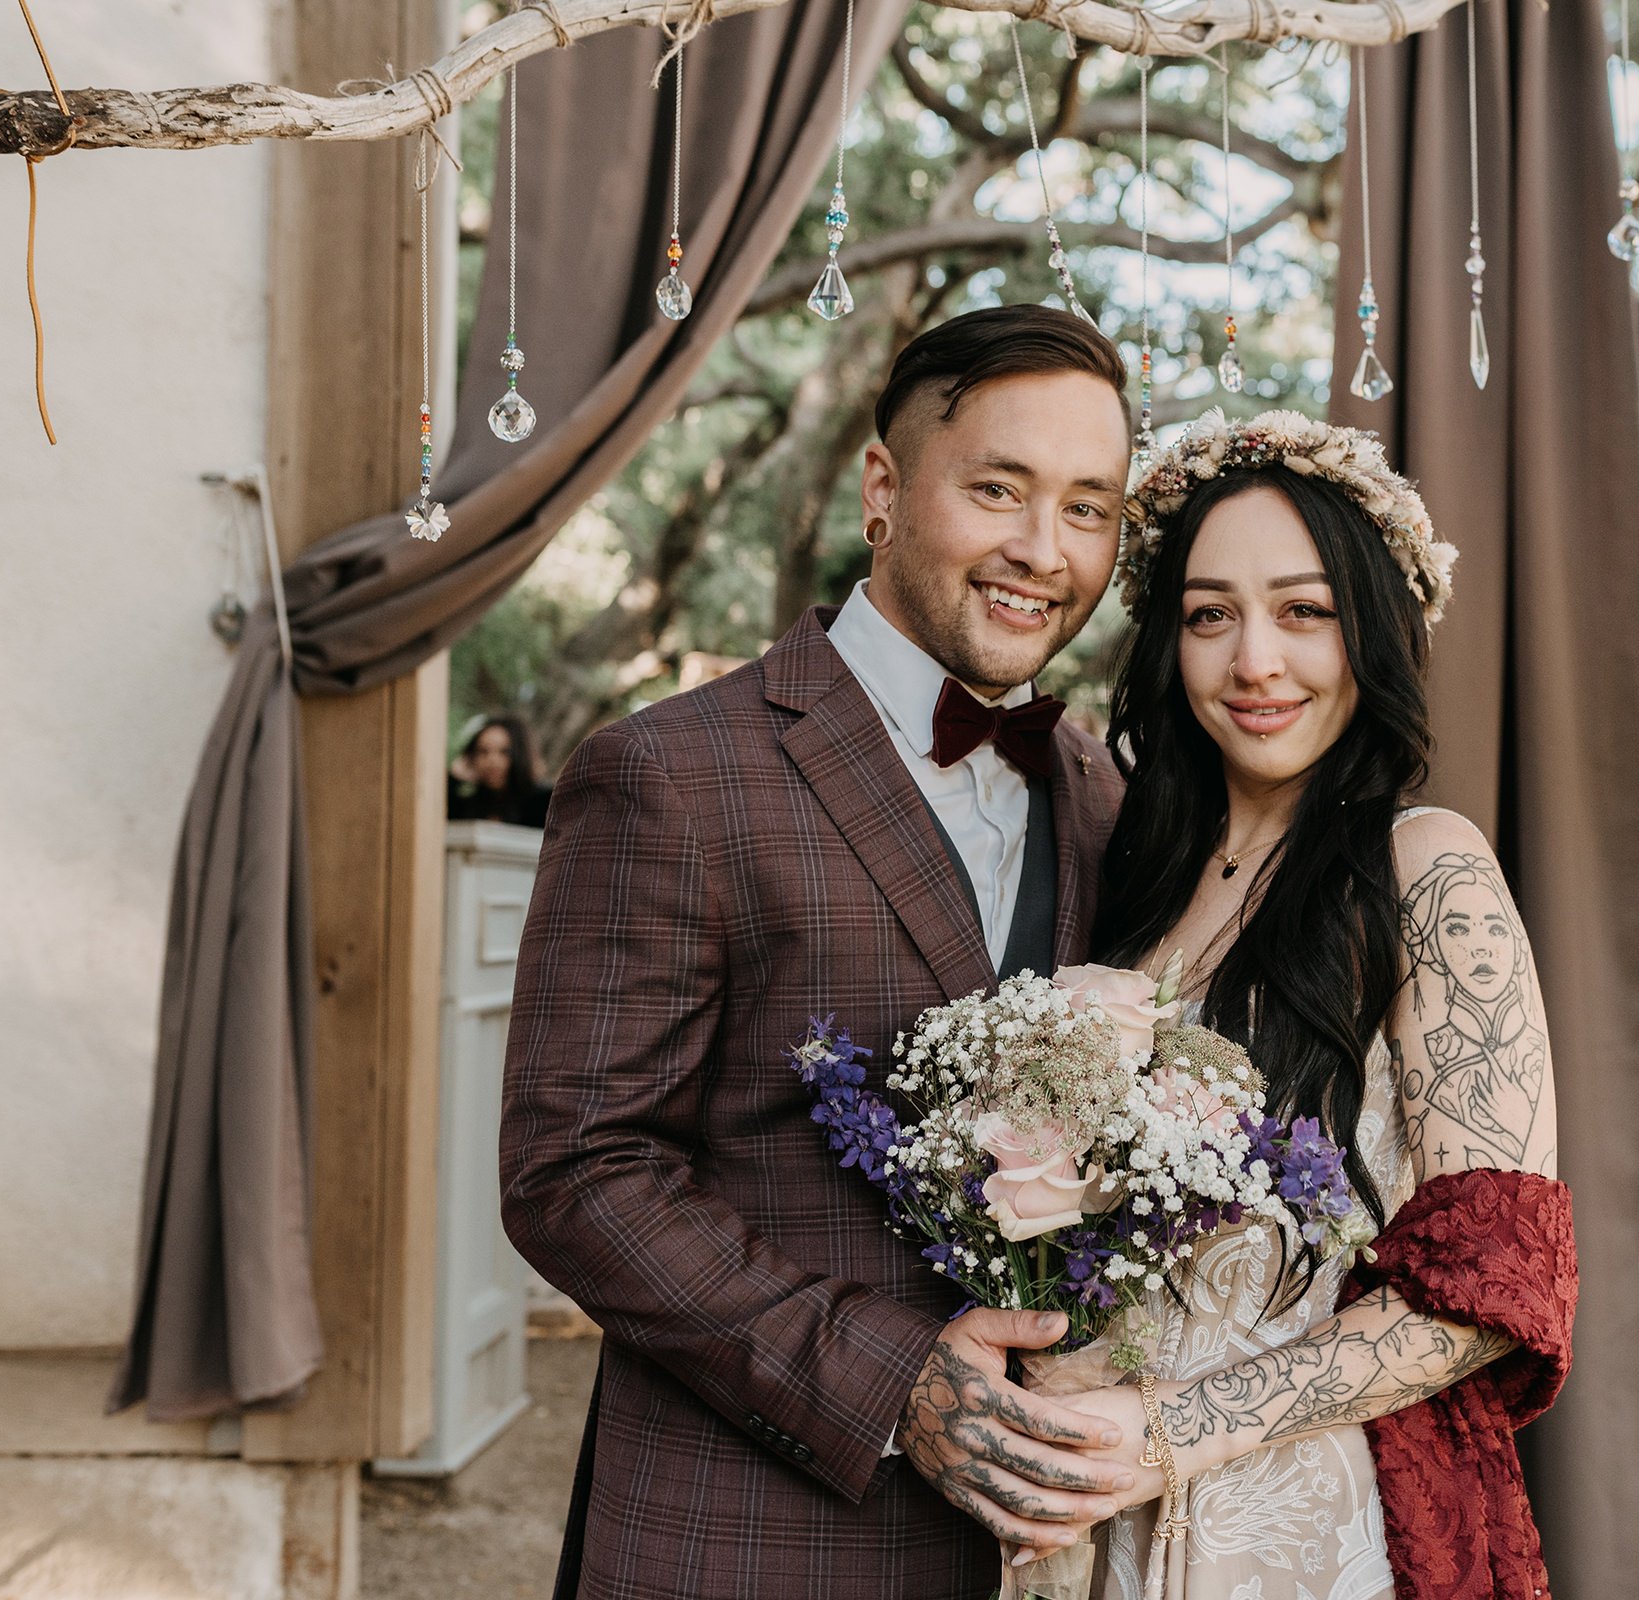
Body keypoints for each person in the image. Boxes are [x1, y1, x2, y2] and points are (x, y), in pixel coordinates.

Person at [500, 306, 1141, 1600]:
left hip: (1039, 1552)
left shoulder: (1108, 799)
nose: (1042, 551)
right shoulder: (671, 773)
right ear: (884, 489)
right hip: (748, 1532)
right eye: (1000, 489)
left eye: (1089, 508)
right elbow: (577, 1172)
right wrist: (893, 1382)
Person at [1071, 411, 1580, 1600]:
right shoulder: (1132, 889)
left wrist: (1173, 1431)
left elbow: (1496, 1290)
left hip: (1331, 1517)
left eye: (1305, 611)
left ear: (1377, 629)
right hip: (1112, 1514)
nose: (1257, 661)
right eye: (1211, 615)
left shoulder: (1425, 867)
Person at [448, 713, 552, 828]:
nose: (492, 760)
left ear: (520, 754)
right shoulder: (469, 806)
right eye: (483, 751)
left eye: (504, 752)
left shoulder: (545, 802)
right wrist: (454, 778)